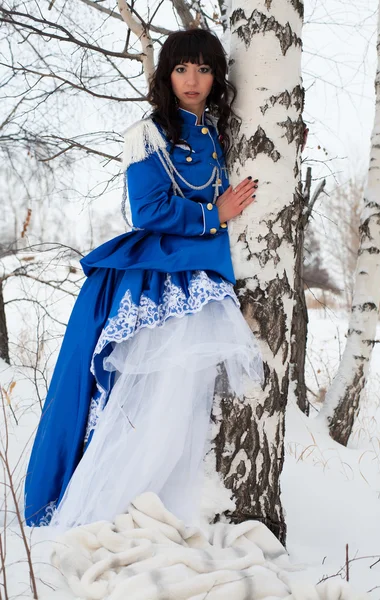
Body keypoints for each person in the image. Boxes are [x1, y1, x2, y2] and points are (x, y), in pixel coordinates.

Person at [24, 28, 263, 529]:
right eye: (180, 69)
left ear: (217, 75)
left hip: (205, 277)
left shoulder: (220, 133)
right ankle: (104, 513)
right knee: (148, 400)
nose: (192, 80)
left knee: (184, 408)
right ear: (166, 75)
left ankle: (162, 515)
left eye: (202, 68)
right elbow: (148, 208)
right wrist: (212, 215)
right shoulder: (147, 135)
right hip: (159, 279)